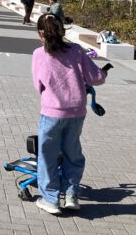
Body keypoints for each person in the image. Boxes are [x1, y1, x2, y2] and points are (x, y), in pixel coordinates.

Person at [31, 13, 108, 215]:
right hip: (76, 111)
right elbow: (96, 78)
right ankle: (72, 195)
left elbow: (38, 85)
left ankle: (50, 199)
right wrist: (103, 73)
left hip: (52, 112)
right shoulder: (76, 50)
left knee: (47, 156)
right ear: (62, 30)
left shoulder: (39, 54)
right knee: (72, 153)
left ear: (41, 33)